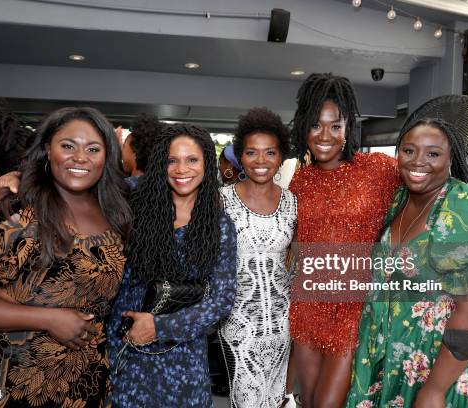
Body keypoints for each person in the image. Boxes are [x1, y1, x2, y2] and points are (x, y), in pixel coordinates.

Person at [0, 107, 132, 407]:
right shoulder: (12, 213)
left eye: (93, 149)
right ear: (47, 150)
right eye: (67, 146)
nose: (80, 158)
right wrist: (48, 319)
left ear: (107, 157)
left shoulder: (117, 213)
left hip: (78, 383)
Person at [345, 118, 468, 407]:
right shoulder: (401, 198)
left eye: (433, 153)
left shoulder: (461, 206)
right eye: (409, 151)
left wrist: (435, 389)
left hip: (447, 367)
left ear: (451, 160)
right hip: (400, 353)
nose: (418, 161)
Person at [288, 73, 401, 407]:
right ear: (303, 127)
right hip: (307, 308)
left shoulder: (379, 170)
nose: (325, 136)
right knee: (308, 401)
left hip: (353, 312)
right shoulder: (299, 182)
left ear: (350, 127)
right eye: (316, 126)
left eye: (335, 126)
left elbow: (426, 185)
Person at [106, 124, 237, 407]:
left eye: (192, 160)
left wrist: (159, 327)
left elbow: (221, 300)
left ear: (206, 163)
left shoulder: (218, 225)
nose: (181, 169)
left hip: (184, 358)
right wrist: (10, 179)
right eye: (172, 160)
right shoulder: (133, 198)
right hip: (127, 351)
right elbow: (73, 189)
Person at [217, 107, 297, 407]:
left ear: (281, 156)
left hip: (283, 322)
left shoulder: (292, 202)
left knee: (276, 399)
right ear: (240, 156)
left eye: (270, 152)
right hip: (239, 323)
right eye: (252, 153)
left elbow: (295, 259)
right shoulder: (221, 199)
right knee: (246, 398)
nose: (261, 161)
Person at [121, 113, 163, 187]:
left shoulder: (122, 189)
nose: (121, 152)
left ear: (135, 152)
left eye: (124, 146)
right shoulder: (159, 187)